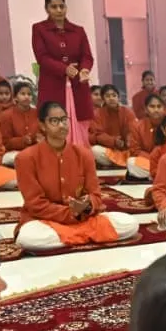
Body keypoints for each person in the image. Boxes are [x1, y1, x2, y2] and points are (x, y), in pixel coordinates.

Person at [15, 102, 139, 252]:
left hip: (83, 217)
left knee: (129, 224)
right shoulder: (25, 158)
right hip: (45, 220)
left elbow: (95, 195)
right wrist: (71, 214)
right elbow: (36, 204)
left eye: (64, 119)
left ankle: (70, 237)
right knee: (29, 237)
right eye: (54, 121)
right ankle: (84, 235)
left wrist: (87, 205)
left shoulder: (84, 154)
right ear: (42, 125)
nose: (61, 125)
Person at [31, 0, 95, 142]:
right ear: (46, 8)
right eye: (54, 7)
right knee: (54, 123)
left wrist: (85, 70)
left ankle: (79, 158)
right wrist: (64, 69)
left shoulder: (78, 31)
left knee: (81, 126)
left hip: (77, 86)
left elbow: (87, 56)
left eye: (62, 6)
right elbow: (42, 58)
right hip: (53, 86)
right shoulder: (39, 29)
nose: (59, 10)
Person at [90, 86, 138, 169]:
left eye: (114, 95)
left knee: (136, 155)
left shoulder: (127, 112)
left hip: (126, 150)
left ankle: (114, 164)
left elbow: (134, 130)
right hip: (108, 150)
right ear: (103, 99)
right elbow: (97, 134)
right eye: (108, 96)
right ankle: (121, 164)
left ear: (118, 97)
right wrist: (113, 141)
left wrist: (128, 140)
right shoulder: (97, 114)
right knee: (95, 150)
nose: (111, 98)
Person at [0, 82, 40, 168]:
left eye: (29, 94)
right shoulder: (6, 115)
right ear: (15, 97)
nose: (26, 97)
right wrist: (22, 141)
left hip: (35, 151)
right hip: (14, 153)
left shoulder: (37, 113)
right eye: (23, 94)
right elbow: (5, 142)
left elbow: (41, 134)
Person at [126, 93, 164, 181]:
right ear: (146, 109)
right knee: (131, 162)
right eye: (152, 106)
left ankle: (158, 176)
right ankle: (163, 176)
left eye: (159, 106)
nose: (156, 110)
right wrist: (153, 158)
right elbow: (135, 150)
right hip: (148, 161)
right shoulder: (137, 126)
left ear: (163, 109)